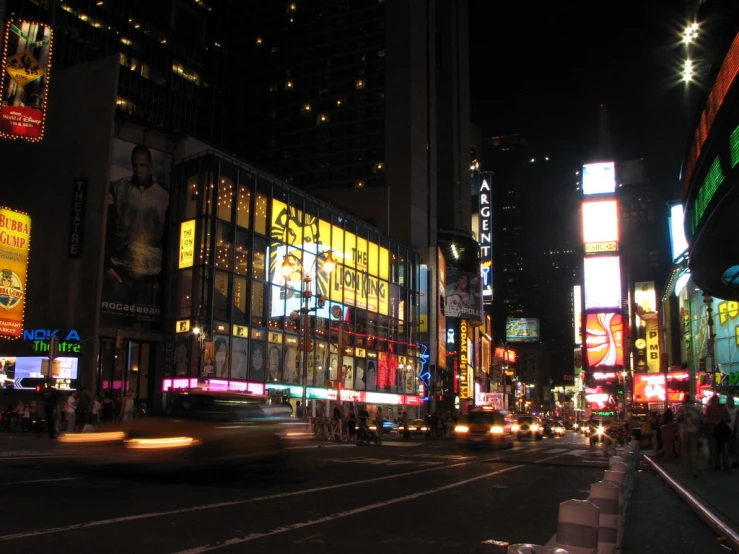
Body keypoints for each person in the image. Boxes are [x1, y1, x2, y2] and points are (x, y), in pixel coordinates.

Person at [103, 144, 169, 314]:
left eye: (143, 165)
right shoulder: (119, 188)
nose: (138, 170)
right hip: (119, 268)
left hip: (149, 273)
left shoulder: (163, 196)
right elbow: (107, 226)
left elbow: (168, 238)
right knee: (115, 314)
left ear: (150, 166)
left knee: (141, 319)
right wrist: (106, 266)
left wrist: (159, 279)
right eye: (135, 165)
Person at [676, 396, 703, 477]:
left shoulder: (681, 408)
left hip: (684, 431)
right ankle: (695, 470)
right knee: (694, 450)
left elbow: (678, 419)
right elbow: (700, 419)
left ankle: (686, 469)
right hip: (694, 430)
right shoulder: (696, 408)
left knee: (685, 451)